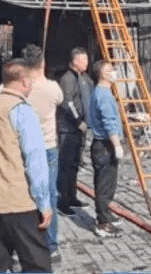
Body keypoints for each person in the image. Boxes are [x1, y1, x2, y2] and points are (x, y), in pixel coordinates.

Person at [0, 58, 52, 273]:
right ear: (24, 81)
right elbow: (35, 160)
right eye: (31, 81)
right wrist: (44, 202)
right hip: (18, 202)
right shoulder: (22, 111)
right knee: (37, 264)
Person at [21, 44, 65, 261]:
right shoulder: (53, 88)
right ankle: (51, 245)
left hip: (23, 148)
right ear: (43, 64)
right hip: (47, 147)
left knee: (24, 197)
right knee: (48, 195)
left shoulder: (17, 88)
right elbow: (60, 100)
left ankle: (26, 246)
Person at [89, 59, 124, 239]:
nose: (114, 72)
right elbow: (108, 121)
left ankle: (106, 213)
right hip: (104, 145)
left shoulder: (104, 92)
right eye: (110, 70)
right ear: (102, 74)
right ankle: (102, 223)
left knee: (109, 184)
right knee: (104, 186)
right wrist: (116, 144)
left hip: (104, 145)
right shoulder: (103, 94)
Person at [56, 46, 93, 214]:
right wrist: (78, 121)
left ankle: (72, 196)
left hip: (79, 129)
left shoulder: (82, 78)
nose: (86, 62)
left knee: (75, 164)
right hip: (69, 129)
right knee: (66, 165)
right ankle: (63, 201)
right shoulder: (68, 79)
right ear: (74, 61)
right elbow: (68, 102)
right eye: (83, 59)